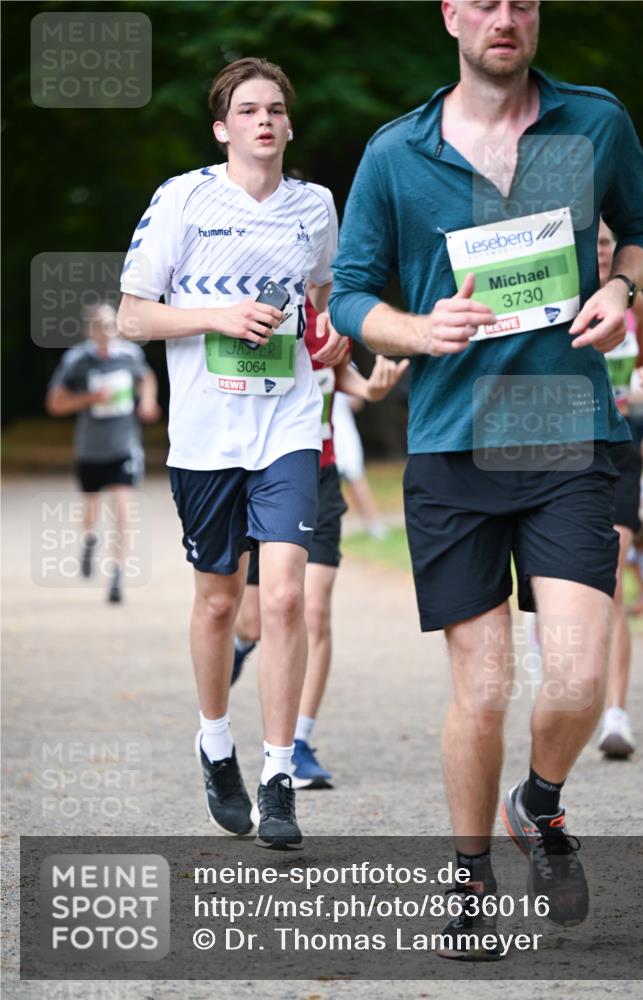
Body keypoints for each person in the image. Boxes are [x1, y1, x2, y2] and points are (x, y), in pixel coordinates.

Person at [329, 0, 643, 958]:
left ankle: (540, 804)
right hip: (450, 443)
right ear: (451, 16)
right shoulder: (398, 151)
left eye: (522, 1)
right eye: (484, 1)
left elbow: (639, 226)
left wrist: (619, 286)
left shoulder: (592, 120)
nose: (504, 17)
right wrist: (415, 330)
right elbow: (352, 289)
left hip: (567, 435)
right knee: (480, 691)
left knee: (576, 675)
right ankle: (468, 879)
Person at [117, 57, 347, 850]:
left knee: (283, 596)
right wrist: (216, 317)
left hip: (285, 426)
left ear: (287, 124)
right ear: (223, 127)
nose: (263, 121)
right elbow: (132, 318)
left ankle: (278, 774)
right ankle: (215, 743)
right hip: (206, 434)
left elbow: (320, 298)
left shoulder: (315, 208)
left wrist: (334, 329)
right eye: (247, 110)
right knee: (220, 600)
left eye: (275, 110)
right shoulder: (183, 198)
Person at [232, 299, 408, 788]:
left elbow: (338, 375)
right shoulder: (263, 304)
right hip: (264, 474)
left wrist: (367, 385)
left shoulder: (333, 313)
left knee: (311, 610)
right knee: (252, 618)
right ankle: (242, 645)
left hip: (321, 477)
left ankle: (299, 742)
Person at [595, 221, 643, 758]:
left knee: (615, 576)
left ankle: (615, 715)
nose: (599, 252)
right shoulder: (556, 297)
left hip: (618, 448)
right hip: (562, 450)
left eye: (606, 244)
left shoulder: (630, 302)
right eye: (591, 242)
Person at [45, 302, 160, 603]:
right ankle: (89, 539)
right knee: (91, 508)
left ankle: (117, 575)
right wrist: (90, 398)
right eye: (101, 326)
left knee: (123, 510)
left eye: (112, 325)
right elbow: (55, 403)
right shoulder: (77, 361)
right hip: (91, 449)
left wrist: (148, 401)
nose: (107, 331)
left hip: (125, 447)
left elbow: (147, 378)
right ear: (90, 330)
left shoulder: (130, 355)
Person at [333, 391, 388, 539]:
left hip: (343, 434)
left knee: (356, 480)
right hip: (320, 435)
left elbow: (356, 403)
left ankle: (373, 525)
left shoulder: (345, 366)